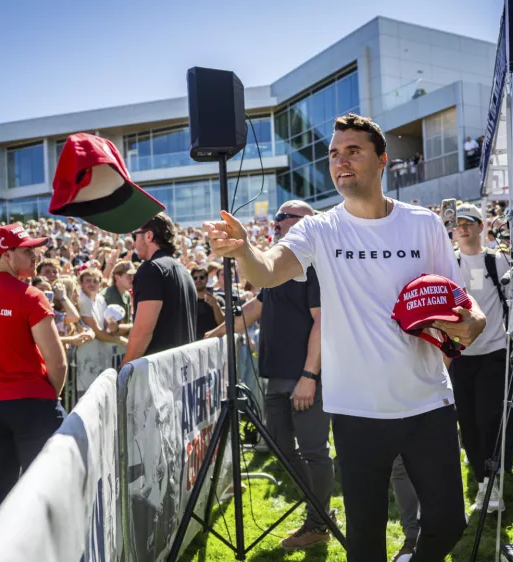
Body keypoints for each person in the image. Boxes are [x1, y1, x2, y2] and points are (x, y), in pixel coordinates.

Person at [205, 113, 486, 561]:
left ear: (383, 161)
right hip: (357, 412)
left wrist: (474, 322)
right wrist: (243, 251)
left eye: (353, 151)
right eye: (334, 153)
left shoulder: (424, 224)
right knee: (365, 542)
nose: (340, 161)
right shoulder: (319, 228)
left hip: (428, 403)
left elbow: (458, 302)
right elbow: (268, 269)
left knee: (450, 522)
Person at [206, 200, 334, 550]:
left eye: (283, 217)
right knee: (280, 447)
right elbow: (256, 307)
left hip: (305, 376)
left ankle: (319, 521)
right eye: (275, 218)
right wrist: (215, 334)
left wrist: (309, 374)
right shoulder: (277, 266)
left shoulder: (315, 266)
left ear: (307, 222)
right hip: (276, 375)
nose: (276, 223)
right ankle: (321, 512)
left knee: (314, 451)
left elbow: (322, 322)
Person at [391, 201, 513, 559]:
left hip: (495, 352)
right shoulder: (450, 262)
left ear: (480, 227)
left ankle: (494, 481)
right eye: (457, 223)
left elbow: (512, 299)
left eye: (468, 223)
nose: (461, 228)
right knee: (468, 423)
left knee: (491, 416)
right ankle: (482, 479)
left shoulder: (497, 260)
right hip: (459, 357)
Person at [0, 223, 67, 526]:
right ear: (6, 255)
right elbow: (58, 363)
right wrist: (50, 399)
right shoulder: (29, 295)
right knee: (46, 488)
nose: (35, 256)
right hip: (33, 403)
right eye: (27, 251)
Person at [123, 213, 196, 363]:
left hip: (160, 372)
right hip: (184, 370)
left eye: (135, 235)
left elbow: (143, 331)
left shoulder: (151, 269)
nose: (134, 242)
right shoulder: (184, 271)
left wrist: (124, 371)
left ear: (149, 236)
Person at [192, 266, 224, 341]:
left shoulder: (218, 299)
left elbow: (223, 324)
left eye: (201, 277)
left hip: (213, 343)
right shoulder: (188, 301)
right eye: (195, 278)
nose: (198, 280)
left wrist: (215, 306)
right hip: (193, 344)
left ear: (207, 279)